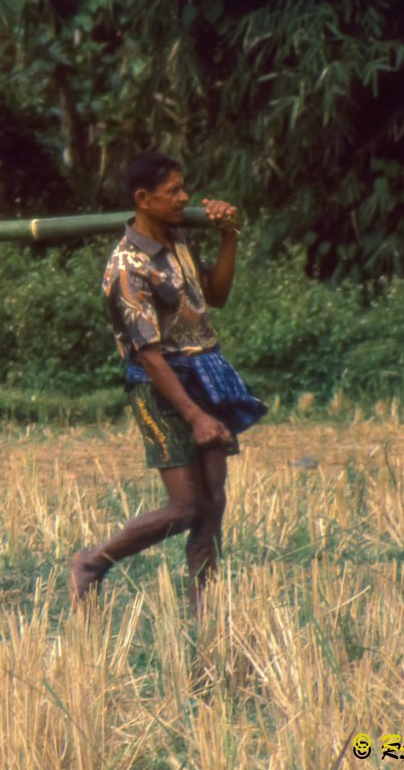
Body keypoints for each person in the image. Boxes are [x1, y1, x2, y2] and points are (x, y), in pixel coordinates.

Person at [71, 151, 266, 610]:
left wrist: (228, 236)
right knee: (185, 507)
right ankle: (92, 563)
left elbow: (215, 295)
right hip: (160, 385)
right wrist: (196, 416)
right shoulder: (126, 265)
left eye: (183, 188)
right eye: (173, 192)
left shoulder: (179, 240)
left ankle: (202, 603)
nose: (184, 198)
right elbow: (150, 355)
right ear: (143, 199)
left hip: (206, 371)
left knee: (212, 500)